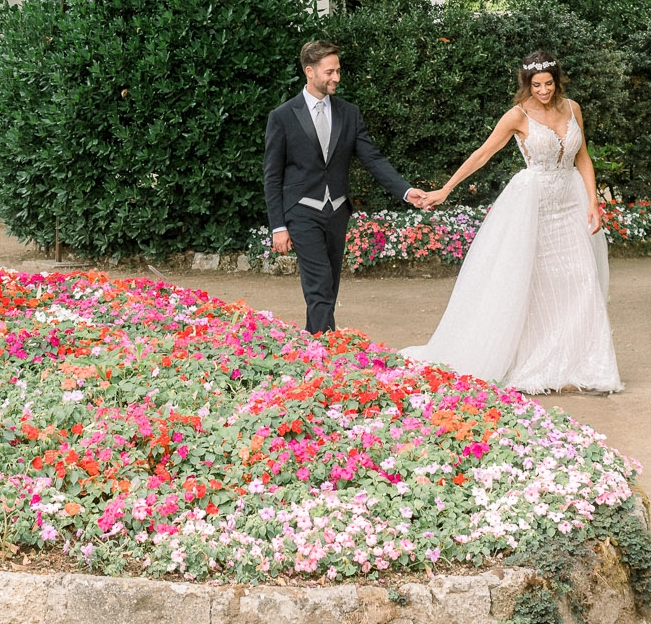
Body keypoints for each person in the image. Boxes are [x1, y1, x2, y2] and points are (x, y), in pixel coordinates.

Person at [402, 52, 622, 394]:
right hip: (534, 204)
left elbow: (583, 157)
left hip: (571, 200)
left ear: (557, 81)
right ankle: (537, 360)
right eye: (537, 85)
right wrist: (445, 189)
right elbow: (483, 153)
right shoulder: (517, 116)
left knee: (582, 278)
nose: (544, 91)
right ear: (527, 85)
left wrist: (593, 201)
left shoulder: (573, 108)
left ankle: (588, 365)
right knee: (533, 283)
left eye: (549, 84)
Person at [265, 40, 427, 333]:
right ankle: (325, 350)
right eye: (330, 72)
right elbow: (272, 175)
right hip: (301, 211)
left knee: (329, 286)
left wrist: (405, 190)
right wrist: (278, 226)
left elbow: (373, 159)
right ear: (309, 71)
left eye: (338, 71)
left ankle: (312, 345)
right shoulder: (283, 116)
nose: (336, 78)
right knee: (319, 283)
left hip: (337, 211)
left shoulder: (349, 113)